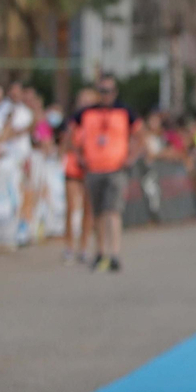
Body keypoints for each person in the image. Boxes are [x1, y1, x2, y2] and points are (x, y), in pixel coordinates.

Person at [73, 76, 140, 272]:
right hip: (94, 169)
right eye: (102, 90)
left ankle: (115, 254)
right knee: (98, 213)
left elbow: (140, 134)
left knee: (113, 211)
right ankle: (101, 252)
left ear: (115, 92)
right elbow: (70, 134)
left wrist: (131, 156)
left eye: (109, 90)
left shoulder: (125, 112)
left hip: (116, 169)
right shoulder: (86, 113)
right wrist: (79, 155)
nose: (106, 94)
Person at [60, 88, 98, 265]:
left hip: (91, 167)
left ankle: (83, 247)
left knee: (88, 209)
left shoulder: (97, 121)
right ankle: (69, 246)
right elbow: (67, 142)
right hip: (74, 165)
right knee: (71, 207)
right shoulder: (73, 122)